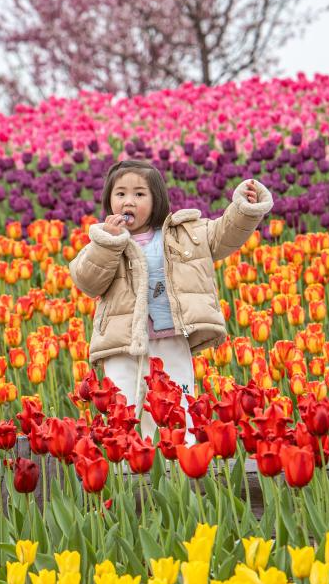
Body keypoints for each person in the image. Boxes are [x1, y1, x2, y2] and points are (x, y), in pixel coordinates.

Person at [69, 159, 274, 443]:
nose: (129, 201)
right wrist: (108, 244)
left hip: (171, 338)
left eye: (139, 194)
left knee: (178, 411)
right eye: (120, 194)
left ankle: (182, 466)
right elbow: (88, 280)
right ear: (109, 201)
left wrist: (244, 208)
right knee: (124, 415)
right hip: (123, 346)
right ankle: (130, 471)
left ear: (157, 200)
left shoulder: (182, 234)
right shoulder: (104, 241)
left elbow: (223, 235)